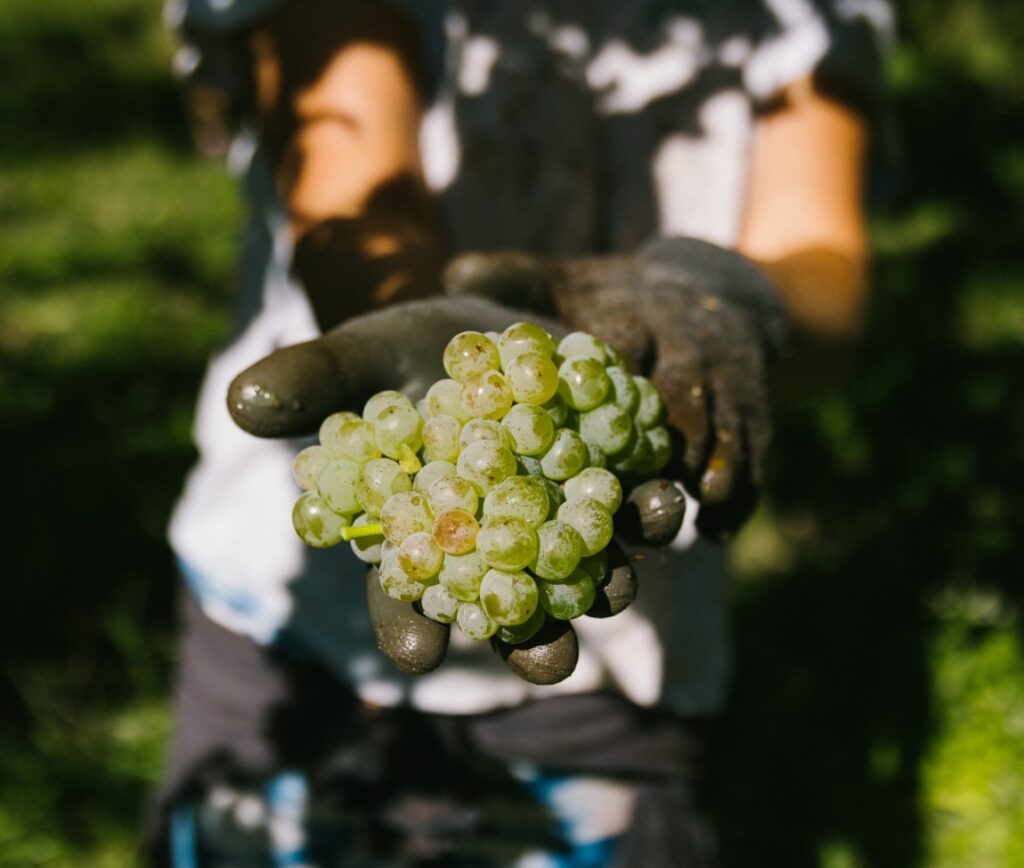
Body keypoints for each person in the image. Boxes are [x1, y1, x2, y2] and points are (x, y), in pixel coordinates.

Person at [154, 1, 892, 864]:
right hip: (282, 628)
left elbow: (825, 268)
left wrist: (732, 302)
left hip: (619, 670)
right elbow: (349, 179)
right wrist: (407, 326)